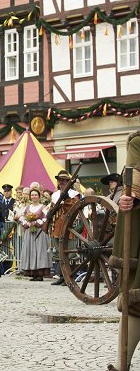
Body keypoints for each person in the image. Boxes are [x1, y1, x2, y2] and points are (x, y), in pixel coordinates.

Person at [108, 131, 139, 371]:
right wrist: (129, 199)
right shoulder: (138, 143)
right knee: (137, 302)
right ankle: (122, 365)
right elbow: (133, 185)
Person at [49, 170, 81, 286]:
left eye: (64, 180)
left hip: (68, 227)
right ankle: (62, 276)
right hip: (56, 227)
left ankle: (70, 277)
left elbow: (73, 209)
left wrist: (67, 198)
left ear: (69, 182)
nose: (61, 182)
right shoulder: (55, 194)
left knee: (69, 253)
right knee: (59, 253)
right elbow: (52, 209)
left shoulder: (74, 194)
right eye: (60, 180)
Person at [18, 188, 51, 281]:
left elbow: (46, 219)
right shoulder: (27, 207)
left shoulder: (43, 207)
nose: (34, 197)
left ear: (39, 196)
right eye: (32, 195)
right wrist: (27, 223)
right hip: (29, 232)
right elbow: (21, 218)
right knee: (31, 251)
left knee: (40, 251)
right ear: (30, 197)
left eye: (35, 195)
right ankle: (33, 273)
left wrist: (37, 222)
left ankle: (40, 274)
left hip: (39, 232)